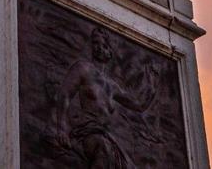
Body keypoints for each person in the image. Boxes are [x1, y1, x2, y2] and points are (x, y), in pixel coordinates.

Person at [54, 28, 155, 168]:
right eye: (96, 43)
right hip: (86, 132)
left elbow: (138, 105)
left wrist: (151, 84)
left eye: (104, 46)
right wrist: (61, 127)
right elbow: (65, 94)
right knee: (103, 149)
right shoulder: (83, 69)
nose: (99, 48)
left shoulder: (112, 87)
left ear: (110, 52)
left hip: (105, 136)